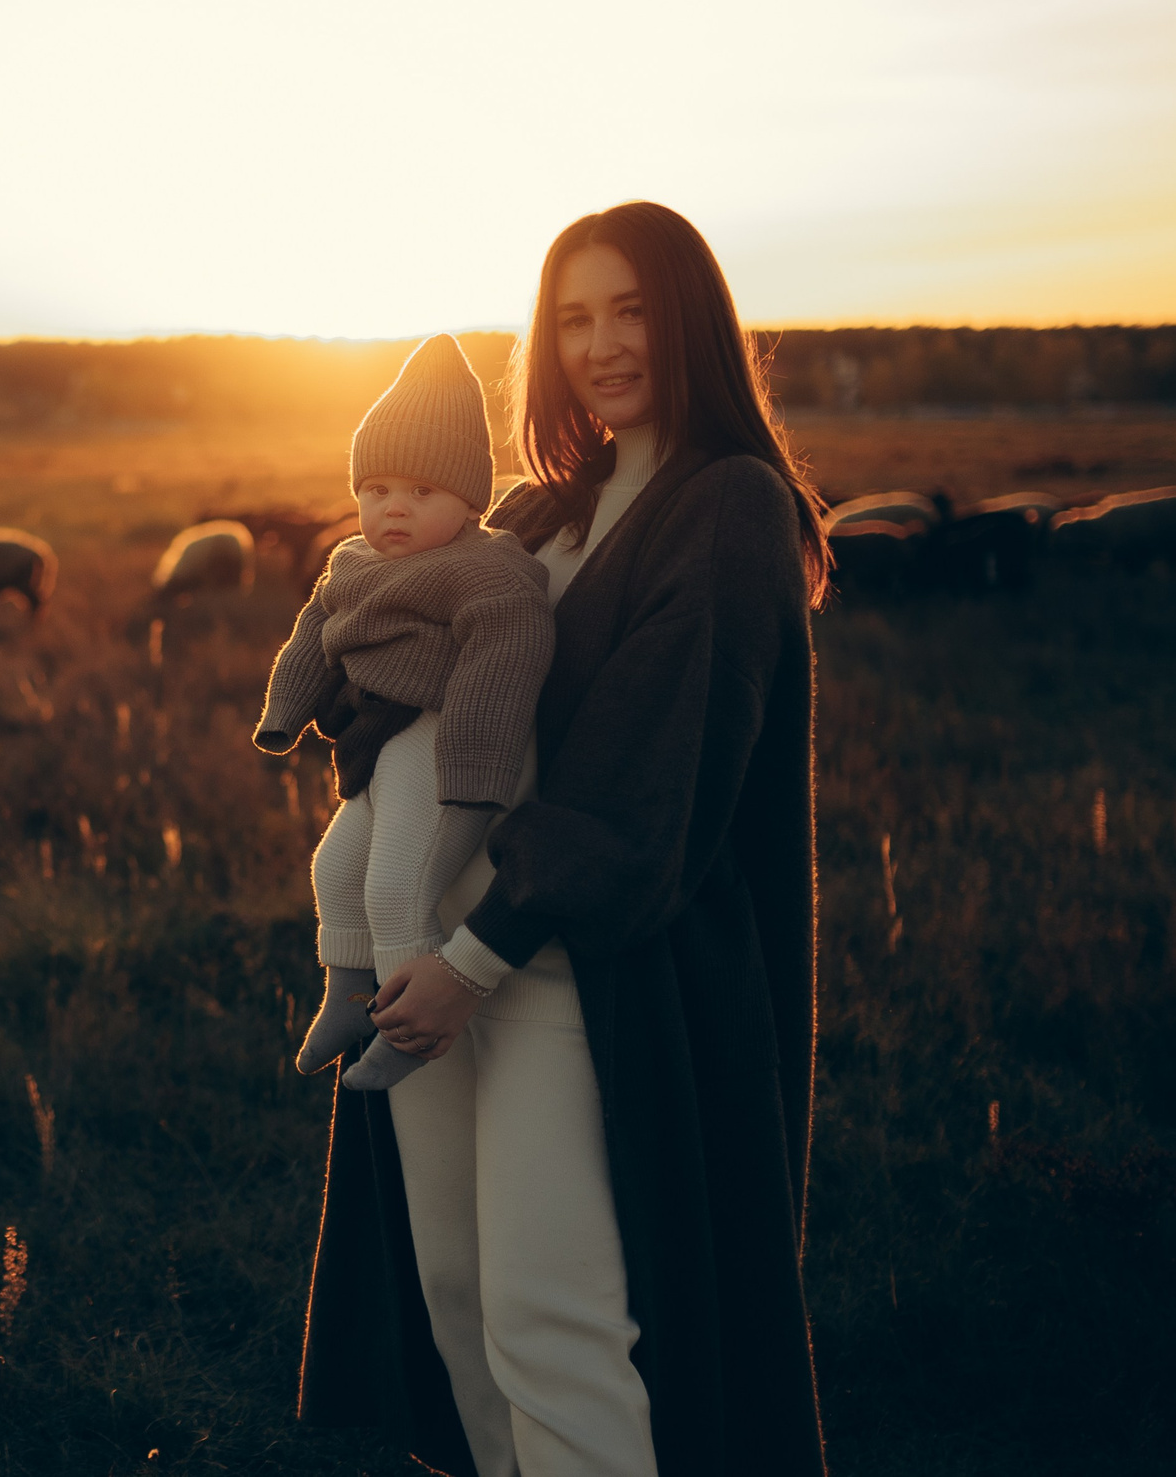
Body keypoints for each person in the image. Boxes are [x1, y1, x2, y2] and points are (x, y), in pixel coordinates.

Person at [295, 202, 833, 1477]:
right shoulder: (539, 510)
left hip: (566, 971)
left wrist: (472, 959)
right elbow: (420, 686)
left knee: (554, 1312)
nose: (602, 342)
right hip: (431, 953)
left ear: (690, 317)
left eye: (631, 308)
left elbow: (651, 789)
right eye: (575, 316)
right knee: (456, 1296)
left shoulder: (728, 508)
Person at [255, 335, 554, 1092]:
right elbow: (312, 636)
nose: (394, 507)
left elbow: (504, 660)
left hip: (439, 738)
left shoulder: (489, 570)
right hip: (374, 742)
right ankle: (349, 994)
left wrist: (473, 767)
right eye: (378, 488)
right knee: (335, 866)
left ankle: (411, 1023)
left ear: (468, 501)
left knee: (398, 882)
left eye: (422, 493)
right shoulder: (352, 562)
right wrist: (285, 713)